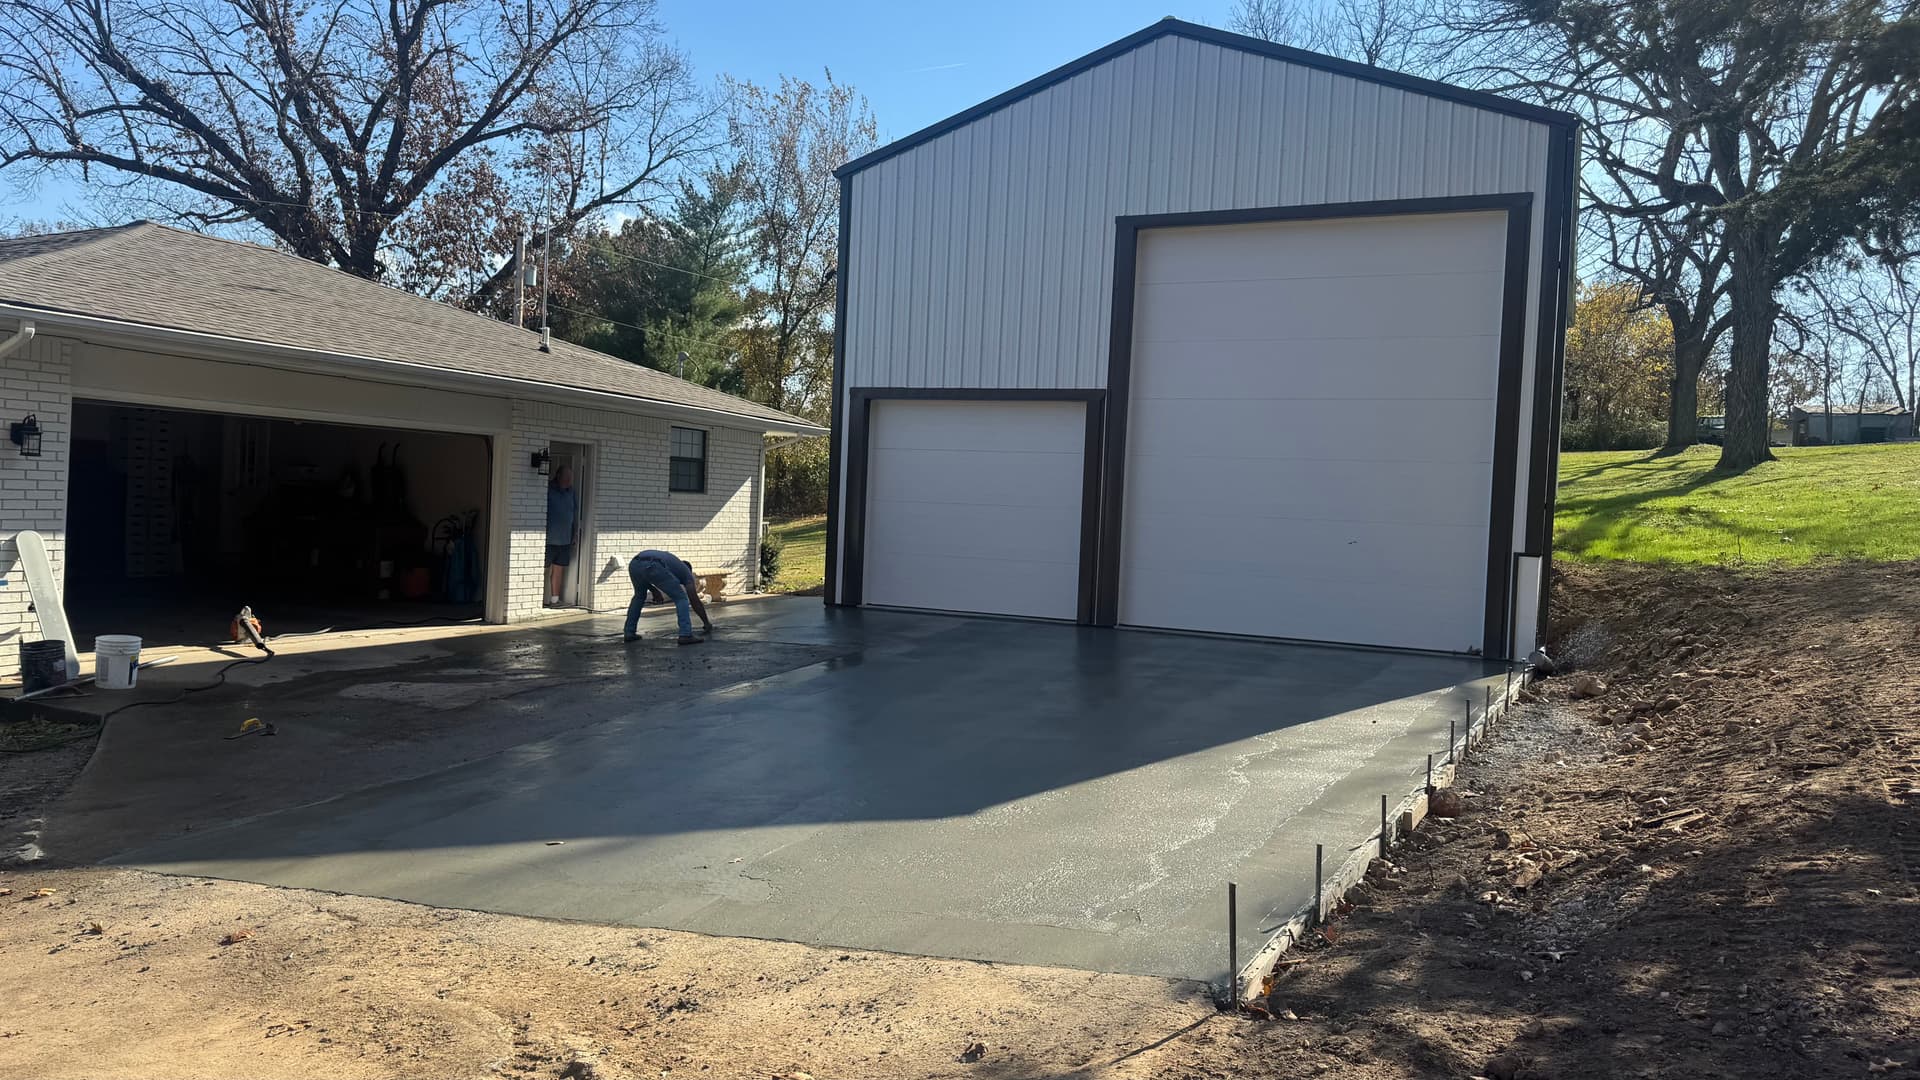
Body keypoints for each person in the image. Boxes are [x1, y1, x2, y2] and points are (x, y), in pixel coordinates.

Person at [624, 549, 714, 645]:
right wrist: (706, 623)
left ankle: (629, 632)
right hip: (655, 564)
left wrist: (654, 590)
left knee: (639, 596)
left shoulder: (673, 564)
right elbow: (694, 600)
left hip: (635, 563)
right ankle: (686, 634)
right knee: (682, 598)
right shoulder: (687, 573)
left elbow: (645, 574)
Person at [545, 465, 578, 607]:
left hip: (565, 539)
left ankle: (554, 600)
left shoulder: (571, 492)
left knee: (559, 569)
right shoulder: (548, 490)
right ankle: (539, 600)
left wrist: (575, 533)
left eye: (570, 478)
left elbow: (574, 514)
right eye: (566, 478)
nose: (568, 481)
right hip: (548, 538)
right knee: (544, 569)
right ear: (558, 476)